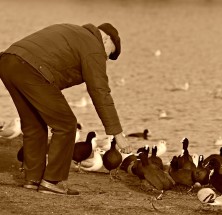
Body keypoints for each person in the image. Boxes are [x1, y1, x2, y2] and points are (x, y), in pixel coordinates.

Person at [0, 22, 132, 195]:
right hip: (31, 69)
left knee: (34, 124)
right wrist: (117, 134)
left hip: (8, 61)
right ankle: (52, 181)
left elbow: (53, 65)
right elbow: (100, 92)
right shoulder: (94, 47)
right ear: (105, 39)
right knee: (66, 124)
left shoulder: (72, 30)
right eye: (108, 53)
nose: (105, 59)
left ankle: (32, 179)